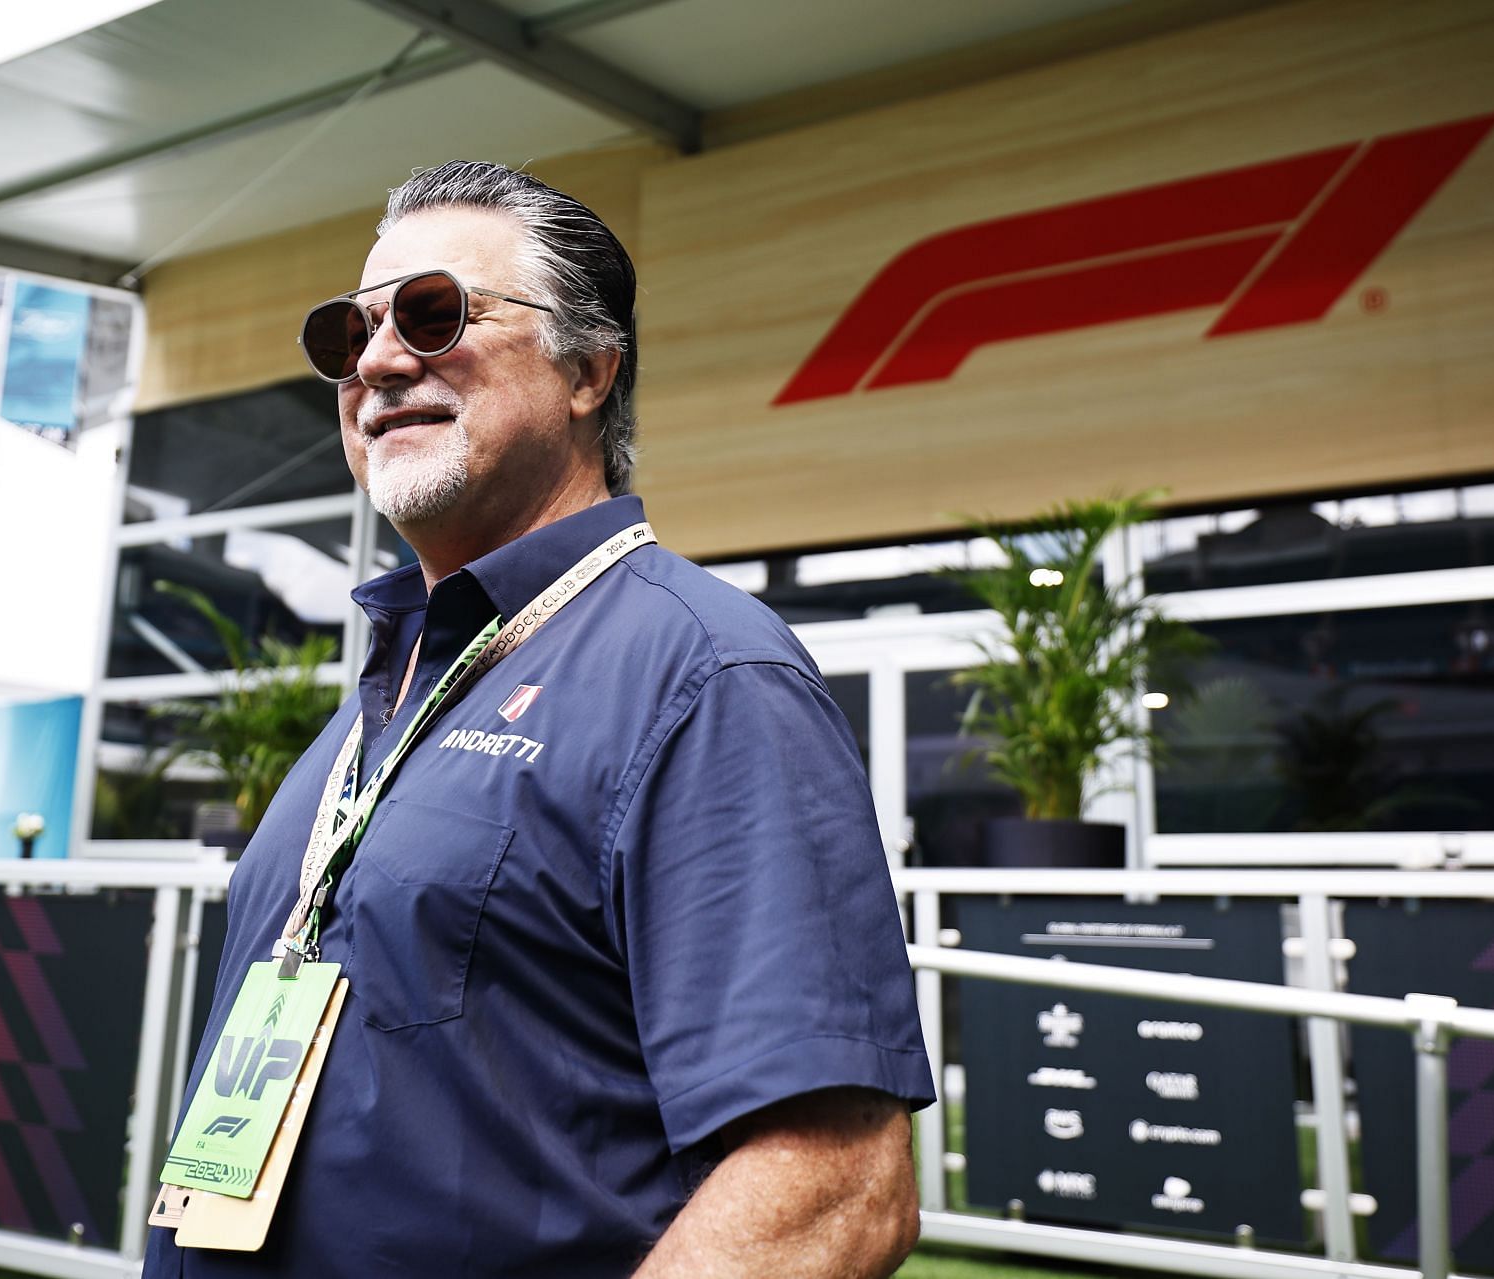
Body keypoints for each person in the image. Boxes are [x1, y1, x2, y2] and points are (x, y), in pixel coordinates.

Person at [143, 162, 934, 1278]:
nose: (373, 362)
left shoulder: (702, 673)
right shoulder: (391, 691)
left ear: (589, 371)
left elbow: (830, 1189)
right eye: (348, 333)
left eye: (432, 312)